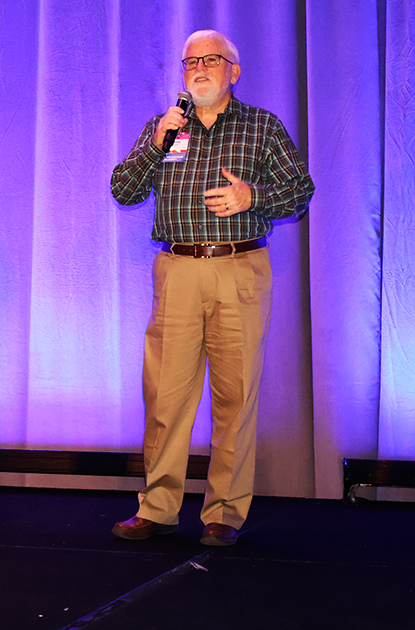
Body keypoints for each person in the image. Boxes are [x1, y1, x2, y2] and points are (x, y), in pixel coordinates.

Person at [109, 30, 314, 546]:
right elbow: (123, 190)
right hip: (177, 269)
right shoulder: (164, 127)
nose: (198, 68)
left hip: (238, 267)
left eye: (211, 60)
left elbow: (300, 191)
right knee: (165, 396)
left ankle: (224, 512)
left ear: (233, 71)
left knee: (235, 397)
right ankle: (157, 508)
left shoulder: (261, 126)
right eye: (190, 61)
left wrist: (253, 198)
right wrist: (155, 144)